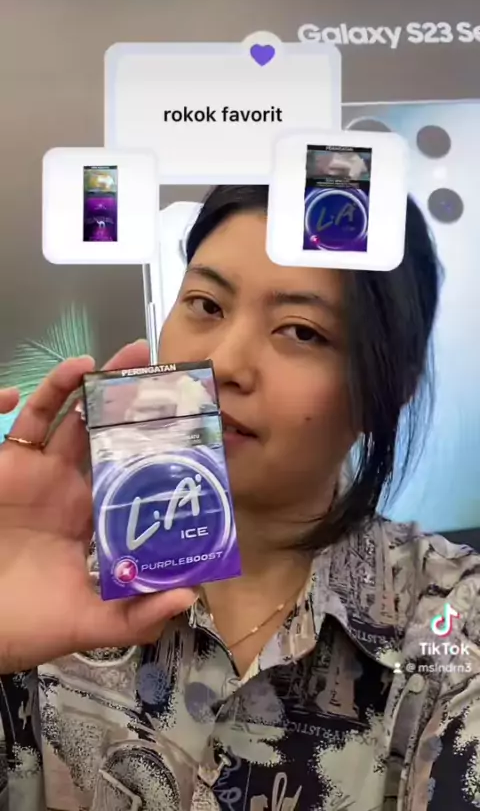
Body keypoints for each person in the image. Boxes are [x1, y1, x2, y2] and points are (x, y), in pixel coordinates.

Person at [0, 185, 479, 810]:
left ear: (390, 389)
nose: (223, 361)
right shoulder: (48, 569)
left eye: (301, 332)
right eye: (205, 304)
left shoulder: (452, 622)